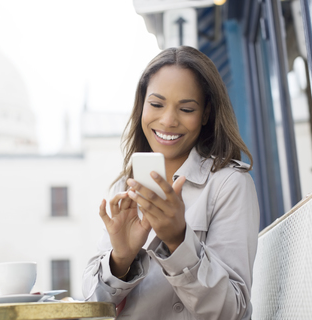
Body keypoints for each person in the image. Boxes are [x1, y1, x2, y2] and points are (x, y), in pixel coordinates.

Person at [82, 46, 260, 320]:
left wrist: (178, 242)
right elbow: (91, 306)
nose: (168, 120)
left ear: (206, 114)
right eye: (156, 104)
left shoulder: (229, 184)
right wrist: (120, 258)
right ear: (142, 105)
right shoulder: (128, 186)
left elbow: (231, 311)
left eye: (186, 108)